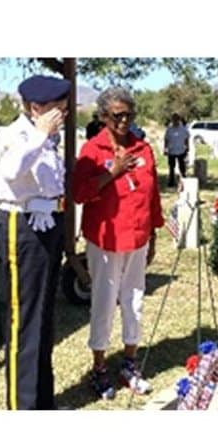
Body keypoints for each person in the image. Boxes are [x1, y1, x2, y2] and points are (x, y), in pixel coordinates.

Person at [71, 86, 164, 399]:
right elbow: (79, 193)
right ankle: (98, 367)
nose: (125, 121)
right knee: (105, 301)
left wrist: (152, 235)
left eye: (129, 115)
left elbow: (152, 196)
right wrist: (112, 172)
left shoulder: (143, 149)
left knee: (135, 299)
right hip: (106, 240)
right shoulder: (92, 151)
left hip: (137, 237)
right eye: (117, 115)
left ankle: (129, 362)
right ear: (102, 117)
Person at [0, 74, 71, 410]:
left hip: (48, 223)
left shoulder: (47, 138)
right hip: (20, 226)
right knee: (23, 322)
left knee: (43, 319)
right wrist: (40, 135)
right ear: (36, 108)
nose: (63, 115)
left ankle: (42, 403)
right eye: (57, 109)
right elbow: (10, 171)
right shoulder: (15, 136)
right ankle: (22, 408)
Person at [163, 112, 189, 187]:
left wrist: (187, 147)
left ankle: (184, 181)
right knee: (171, 167)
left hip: (181, 150)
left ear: (179, 120)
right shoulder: (169, 129)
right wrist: (165, 149)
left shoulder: (183, 129)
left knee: (182, 167)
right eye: (174, 120)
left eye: (176, 119)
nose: (175, 121)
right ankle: (171, 181)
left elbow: (186, 138)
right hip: (172, 150)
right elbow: (166, 139)